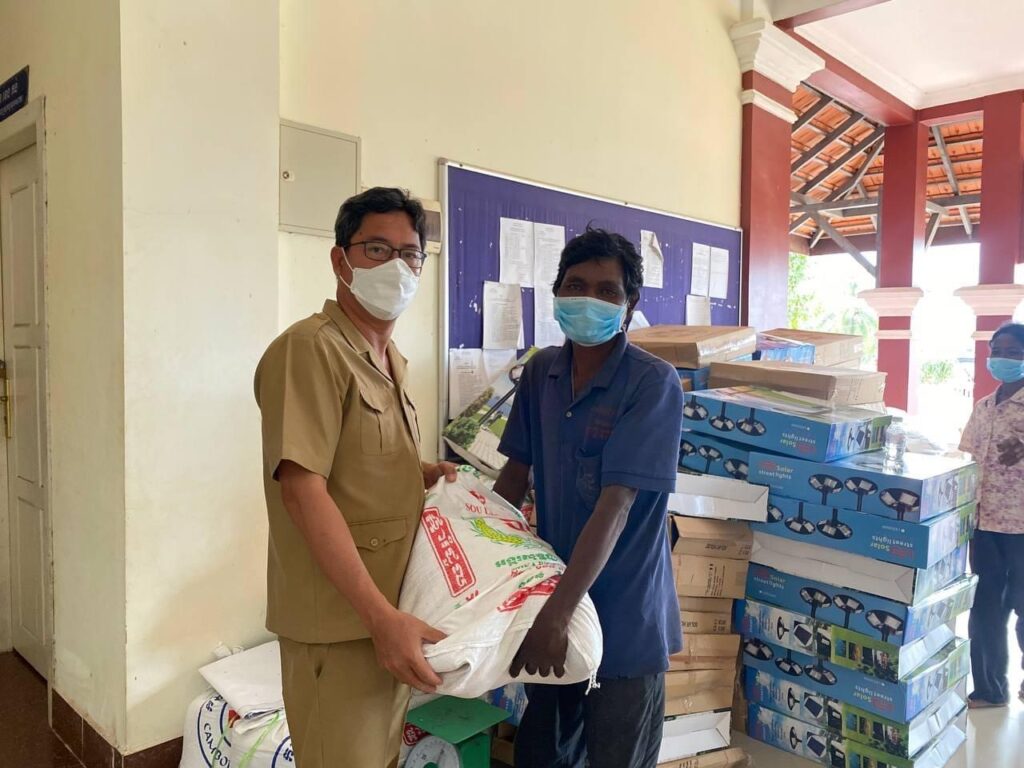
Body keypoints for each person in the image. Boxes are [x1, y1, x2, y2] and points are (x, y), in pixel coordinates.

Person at [254, 187, 456, 767]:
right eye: (376, 249)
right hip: (342, 623)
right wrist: (380, 618)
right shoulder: (310, 349)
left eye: (410, 254)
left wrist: (423, 473)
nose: (396, 265)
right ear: (340, 261)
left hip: (387, 615)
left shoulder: (390, 360)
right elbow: (302, 489)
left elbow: (357, 460)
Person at [492, 227, 684, 768]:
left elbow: (616, 505)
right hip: (549, 601)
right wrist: (481, 567)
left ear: (629, 305)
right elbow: (513, 477)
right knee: (540, 755)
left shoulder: (653, 383)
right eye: (575, 286)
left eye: (606, 291)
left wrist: (557, 615)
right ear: (556, 293)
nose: (588, 299)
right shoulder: (541, 373)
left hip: (623, 620)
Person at [959, 322, 1024, 708]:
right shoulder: (984, 407)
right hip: (984, 525)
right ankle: (989, 689)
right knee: (985, 609)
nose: (1003, 358)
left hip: (1022, 528)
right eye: (997, 351)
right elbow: (967, 458)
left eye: (1013, 352)